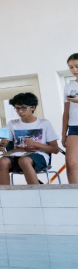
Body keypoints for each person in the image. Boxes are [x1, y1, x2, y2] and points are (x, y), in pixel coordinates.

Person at [0, 92, 59, 185]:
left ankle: (37, 193)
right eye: (17, 108)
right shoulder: (12, 123)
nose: (20, 111)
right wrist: (0, 146)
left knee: (24, 160)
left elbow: (55, 149)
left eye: (24, 108)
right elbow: (4, 142)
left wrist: (35, 144)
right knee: (2, 161)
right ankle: (4, 194)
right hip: (16, 156)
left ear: (33, 107)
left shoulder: (44, 123)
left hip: (39, 157)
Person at [62, 53, 78, 184]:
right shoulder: (69, 87)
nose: (74, 70)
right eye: (71, 67)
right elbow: (66, 112)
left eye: (77, 66)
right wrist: (63, 134)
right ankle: (74, 195)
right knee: (71, 164)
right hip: (74, 128)